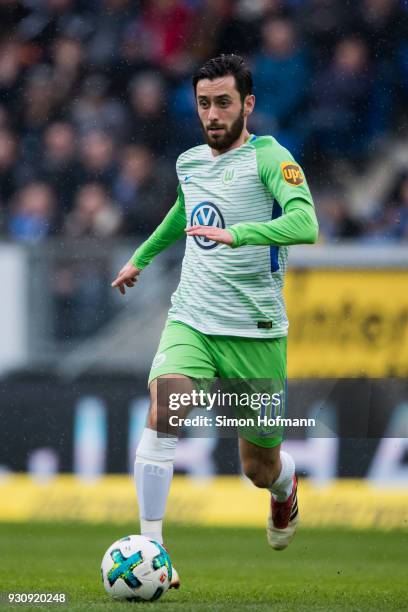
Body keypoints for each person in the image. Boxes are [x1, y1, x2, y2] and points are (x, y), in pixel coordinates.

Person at [111, 54, 318, 588]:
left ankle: (285, 486)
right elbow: (185, 211)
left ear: (247, 104)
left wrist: (241, 234)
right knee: (165, 407)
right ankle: (153, 550)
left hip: (257, 332)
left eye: (223, 102)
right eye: (204, 103)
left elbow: (306, 222)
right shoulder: (189, 162)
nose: (212, 114)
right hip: (194, 321)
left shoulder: (271, 158)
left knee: (258, 468)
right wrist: (142, 256)